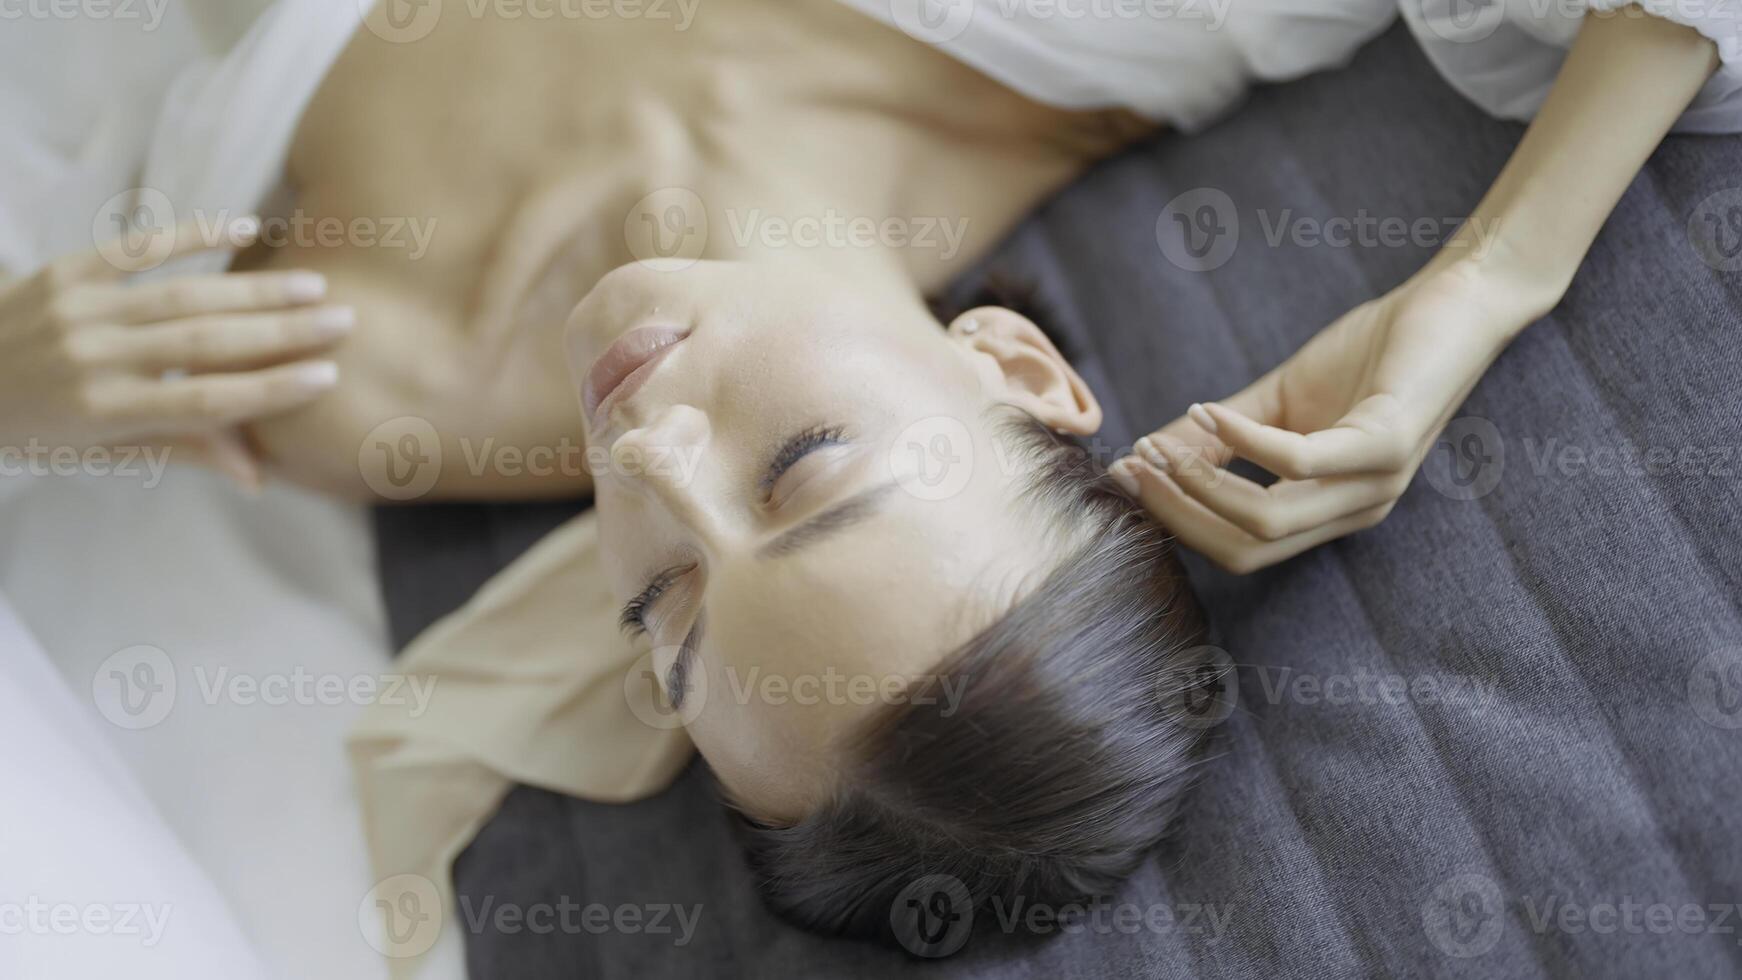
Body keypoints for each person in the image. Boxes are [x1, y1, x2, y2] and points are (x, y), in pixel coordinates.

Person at [0, 0, 1732, 941]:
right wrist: (1486, 280)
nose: (650, 451)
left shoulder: (328, 367)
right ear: (1012, 369)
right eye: (810, 468)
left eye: (658, 614)